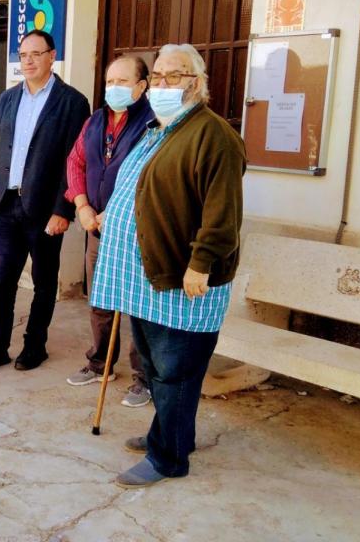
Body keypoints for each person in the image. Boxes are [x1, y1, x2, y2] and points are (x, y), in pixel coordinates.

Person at [90, 44, 246, 488]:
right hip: (144, 279)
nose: (161, 85)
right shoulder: (160, 130)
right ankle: (174, 435)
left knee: (176, 371)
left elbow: (223, 212)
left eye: (172, 76)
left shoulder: (213, 135)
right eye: (156, 77)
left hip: (183, 281)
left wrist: (201, 263)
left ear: (196, 83)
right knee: (158, 369)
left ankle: (168, 458)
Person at [0, 29, 90, 374]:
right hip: (7, 206)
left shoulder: (72, 102)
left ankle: (35, 346)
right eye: (23, 55)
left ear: (52, 57)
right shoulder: (7, 100)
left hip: (45, 210)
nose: (28, 61)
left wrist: (63, 209)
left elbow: (75, 160)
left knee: (43, 281)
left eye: (36, 54)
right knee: (1, 281)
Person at [62, 55, 155, 409]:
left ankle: (143, 378)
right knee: (100, 300)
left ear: (142, 86)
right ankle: (100, 363)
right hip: (96, 228)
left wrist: (114, 214)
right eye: (110, 81)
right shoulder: (96, 121)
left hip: (135, 230)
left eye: (122, 82)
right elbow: (76, 162)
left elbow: (147, 177)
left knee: (138, 306)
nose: (113, 88)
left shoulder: (152, 124)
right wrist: (83, 207)